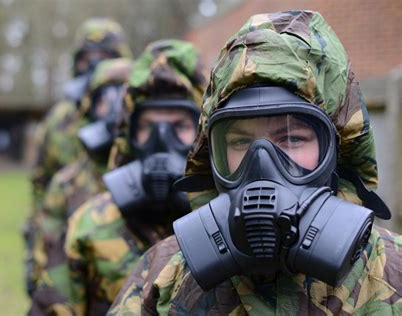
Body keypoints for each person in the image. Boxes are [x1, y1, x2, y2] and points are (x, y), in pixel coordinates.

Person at [108, 11, 402, 315]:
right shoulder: (164, 277)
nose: (261, 165)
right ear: (211, 157)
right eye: (239, 142)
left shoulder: (392, 271)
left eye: (292, 139)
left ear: (338, 151)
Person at [63, 39, 207, 315]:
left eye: (180, 126)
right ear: (128, 136)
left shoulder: (228, 228)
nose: (161, 141)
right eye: (147, 127)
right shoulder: (89, 227)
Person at [24, 17, 132, 297]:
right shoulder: (58, 122)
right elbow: (40, 183)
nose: (95, 66)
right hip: (65, 236)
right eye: (87, 58)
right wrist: (34, 249)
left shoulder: (142, 116)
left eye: (105, 57)